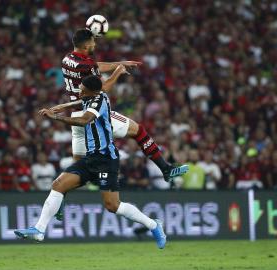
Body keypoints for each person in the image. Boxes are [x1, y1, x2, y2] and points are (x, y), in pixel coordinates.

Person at [14, 75, 167, 249]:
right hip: (90, 158)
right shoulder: (90, 96)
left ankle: (153, 225)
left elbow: (84, 120)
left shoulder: (98, 102)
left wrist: (56, 117)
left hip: (106, 159)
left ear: (90, 91)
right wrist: (61, 106)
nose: (79, 89)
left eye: (82, 88)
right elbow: (86, 97)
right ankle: (39, 230)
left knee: (112, 205)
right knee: (58, 184)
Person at [52, 29, 189, 219]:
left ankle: (59, 202)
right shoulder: (87, 65)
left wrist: (119, 63)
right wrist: (118, 72)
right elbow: (101, 89)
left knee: (77, 168)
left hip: (76, 117)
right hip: (93, 112)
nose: (95, 44)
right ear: (85, 45)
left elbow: (95, 66)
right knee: (138, 130)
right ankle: (165, 168)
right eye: (92, 42)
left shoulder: (68, 59)